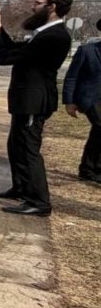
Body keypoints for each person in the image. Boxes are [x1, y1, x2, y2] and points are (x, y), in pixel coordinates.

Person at [0, 0, 74, 216]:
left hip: (34, 101)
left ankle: (39, 202)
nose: (33, 6)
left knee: (28, 150)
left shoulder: (54, 36)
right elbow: (15, 50)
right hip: (24, 100)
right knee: (16, 146)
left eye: (38, 2)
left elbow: (5, 58)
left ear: (52, 7)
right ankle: (21, 188)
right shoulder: (42, 33)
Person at [63, 19, 101, 184]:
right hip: (90, 98)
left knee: (98, 132)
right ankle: (89, 169)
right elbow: (72, 77)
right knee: (100, 126)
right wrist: (69, 102)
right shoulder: (87, 50)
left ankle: (91, 167)